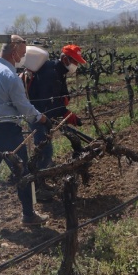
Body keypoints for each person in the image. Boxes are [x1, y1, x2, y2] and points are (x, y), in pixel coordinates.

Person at [0, 35, 50, 232]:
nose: (22, 57)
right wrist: (40, 118)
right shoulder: (10, 76)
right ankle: (29, 215)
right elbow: (23, 107)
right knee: (23, 172)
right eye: (21, 53)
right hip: (6, 131)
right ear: (13, 52)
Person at [26, 44, 87, 200]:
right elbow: (48, 103)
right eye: (75, 62)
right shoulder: (50, 72)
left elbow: (59, 94)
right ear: (65, 58)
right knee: (44, 151)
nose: (76, 66)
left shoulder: (59, 70)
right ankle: (38, 189)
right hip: (37, 116)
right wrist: (66, 112)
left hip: (43, 115)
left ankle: (41, 181)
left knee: (45, 150)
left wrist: (64, 100)